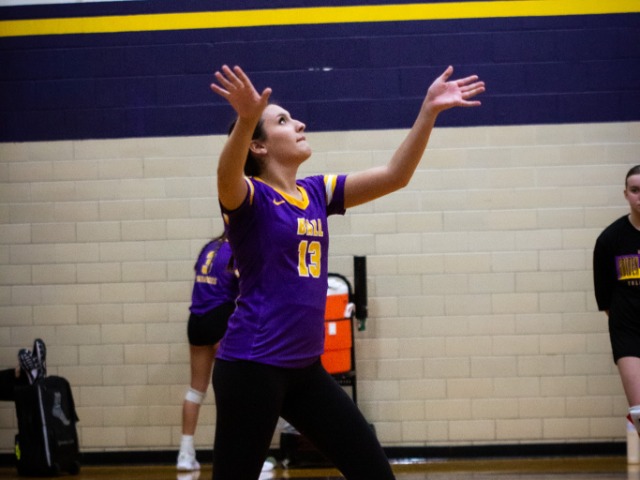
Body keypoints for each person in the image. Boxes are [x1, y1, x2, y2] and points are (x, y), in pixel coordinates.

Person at [208, 64, 484, 480]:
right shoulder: (251, 197)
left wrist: (427, 111)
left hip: (304, 368)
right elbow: (226, 176)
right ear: (259, 147)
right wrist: (246, 120)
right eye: (282, 121)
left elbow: (395, 176)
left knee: (373, 471)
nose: (299, 124)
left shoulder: (316, 192)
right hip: (252, 366)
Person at [177, 233, 238, 471]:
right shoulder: (239, 249)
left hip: (196, 321)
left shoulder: (210, 247)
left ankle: (185, 454)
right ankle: (242, 457)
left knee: (196, 390)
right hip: (221, 318)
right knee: (236, 392)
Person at [593, 165, 640, 434]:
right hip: (628, 331)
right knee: (639, 411)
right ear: (625, 194)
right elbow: (606, 299)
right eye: (635, 190)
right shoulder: (610, 239)